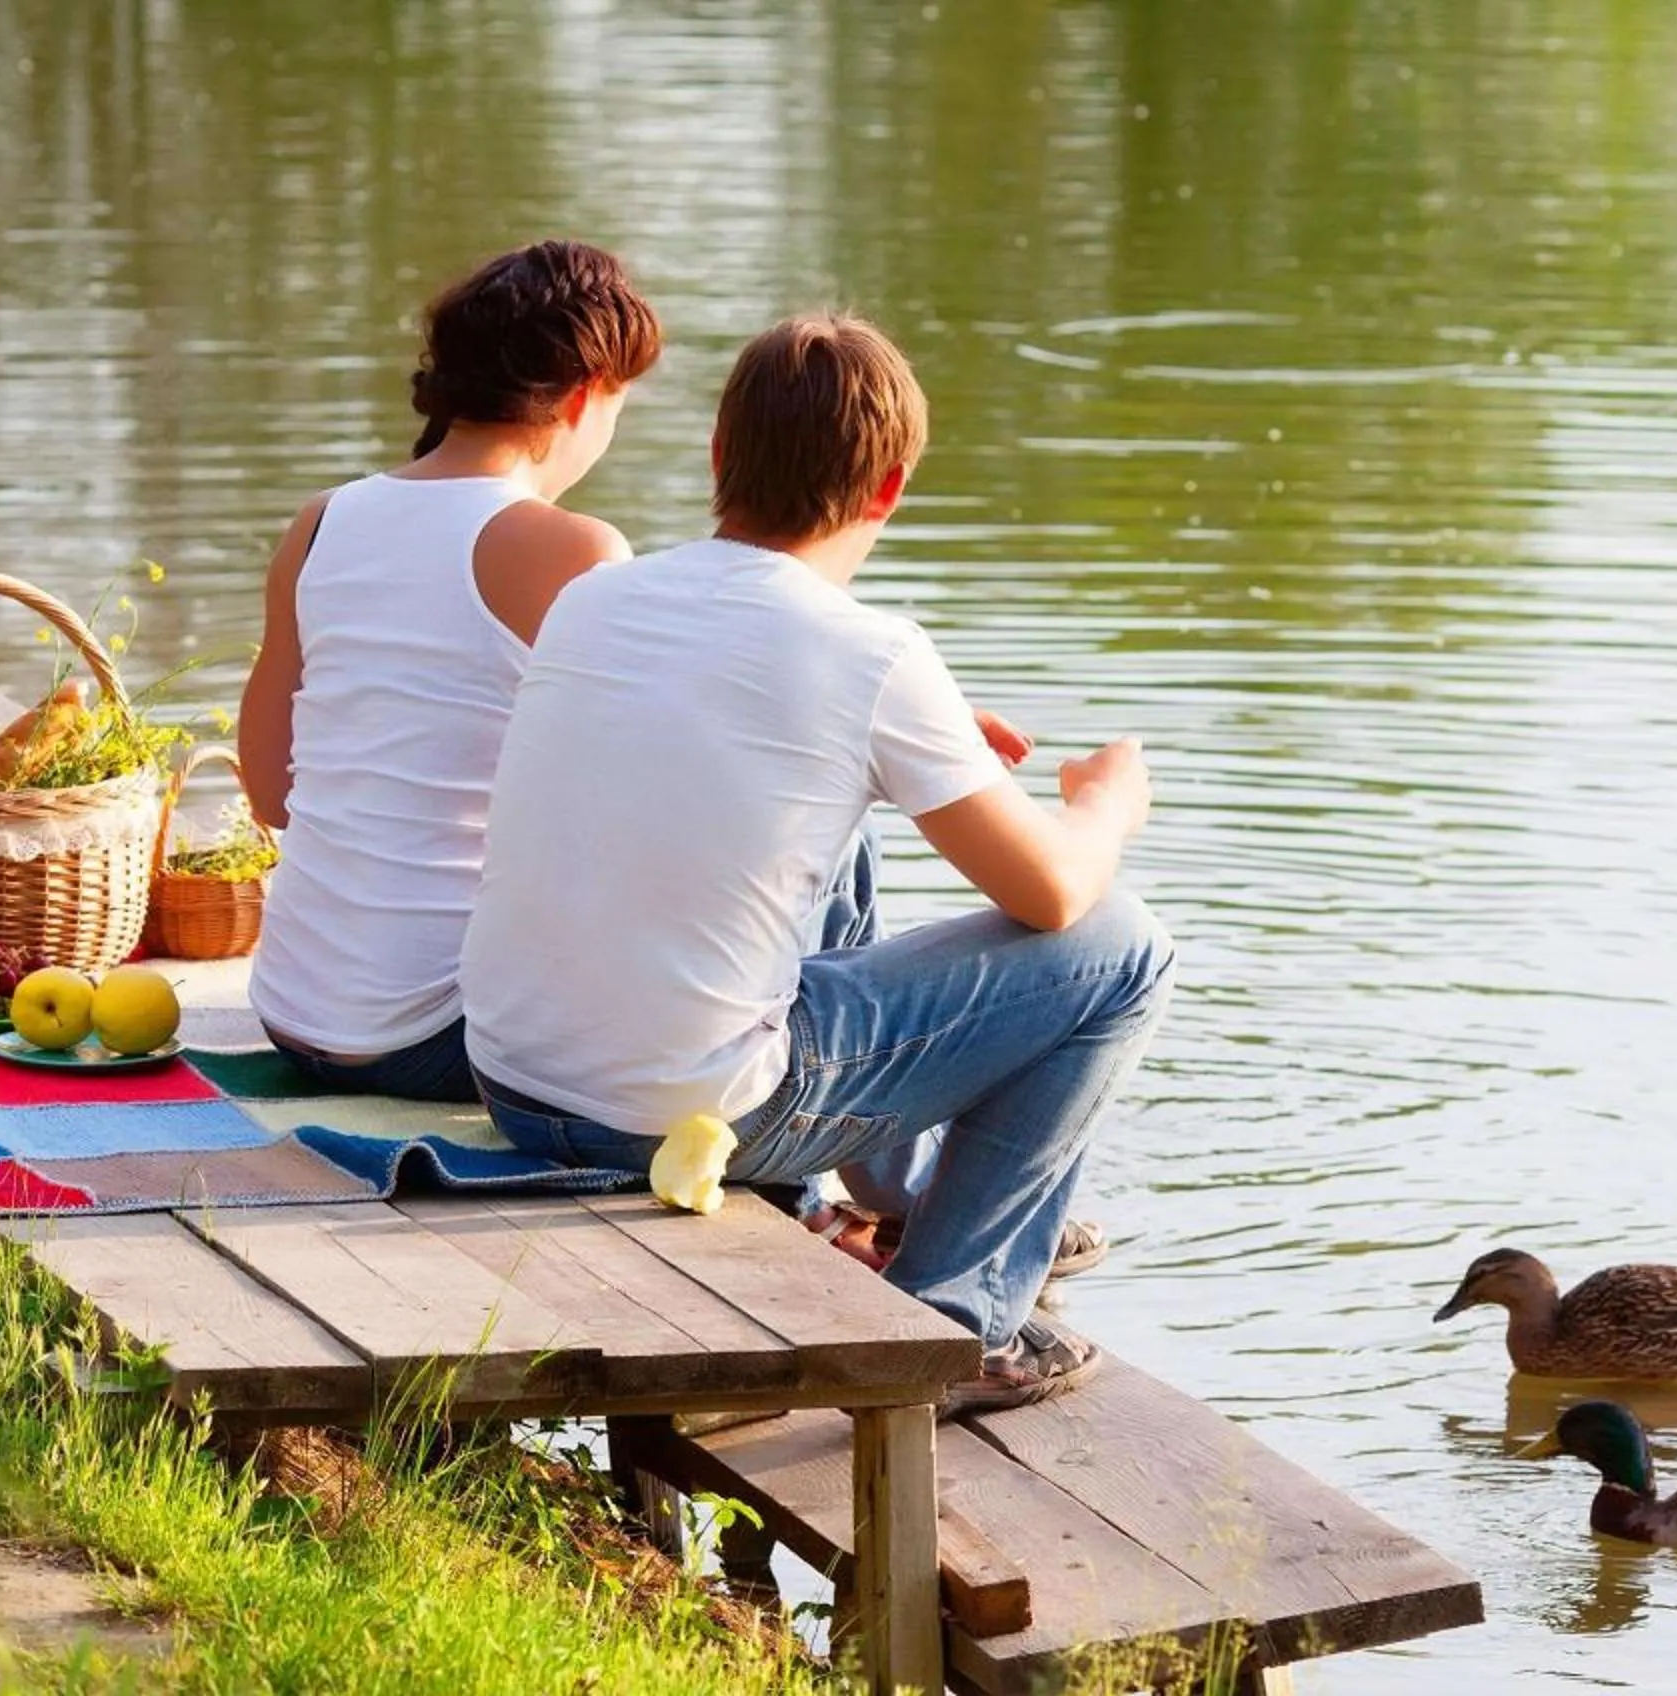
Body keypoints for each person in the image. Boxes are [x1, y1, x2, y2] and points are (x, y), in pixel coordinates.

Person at [462, 314, 1171, 1413]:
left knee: (845, 824)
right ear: (888, 489)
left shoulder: (596, 598)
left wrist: (902, 749)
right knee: (1127, 951)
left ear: (717, 458)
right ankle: (956, 1326)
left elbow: (695, 759)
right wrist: (1104, 802)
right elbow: (1059, 893)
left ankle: (899, 1202)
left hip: (516, 1084)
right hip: (675, 1116)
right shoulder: (873, 652)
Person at [238, 240, 660, 1101]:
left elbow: (271, 792)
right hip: (442, 1034)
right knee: (827, 842)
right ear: (584, 398)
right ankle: (806, 1190)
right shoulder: (575, 550)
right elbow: (649, 814)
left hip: (294, 1011)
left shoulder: (322, 523)